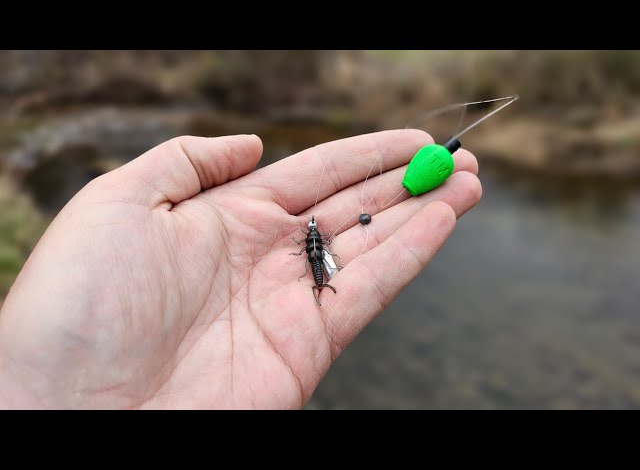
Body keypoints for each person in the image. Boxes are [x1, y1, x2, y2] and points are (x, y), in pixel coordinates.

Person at [0, 130, 481, 409]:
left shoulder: (311, 240)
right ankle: (322, 288)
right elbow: (312, 244)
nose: (312, 240)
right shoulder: (316, 240)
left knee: (323, 268)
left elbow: (309, 244)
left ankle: (322, 287)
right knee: (324, 271)